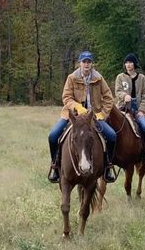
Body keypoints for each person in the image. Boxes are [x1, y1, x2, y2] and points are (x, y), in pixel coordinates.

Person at [48, 50, 116, 183]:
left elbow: (109, 98)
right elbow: (66, 97)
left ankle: (108, 166)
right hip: (72, 116)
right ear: (79, 63)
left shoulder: (98, 78)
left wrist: (103, 113)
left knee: (112, 136)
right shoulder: (72, 78)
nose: (86, 64)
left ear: (92, 64)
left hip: (93, 116)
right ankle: (55, 166)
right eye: (84, 61)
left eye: (89, 62)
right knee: (53, 135)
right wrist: (77, 107)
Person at [115, 53, 145, 162]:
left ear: (134, 64)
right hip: (123, 108)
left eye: (130, 62)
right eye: (126, 62)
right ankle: (110, 155)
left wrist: (141, 110)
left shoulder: (142, 78)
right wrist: (124, 96)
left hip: (137, 109)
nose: (128, 64)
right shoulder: (120, 77)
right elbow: (117, 91)